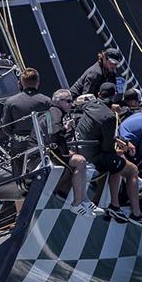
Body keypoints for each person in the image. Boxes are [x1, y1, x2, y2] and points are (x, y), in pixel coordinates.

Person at [75, 92, 142, 228]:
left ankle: (110, 204)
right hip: (94, 155)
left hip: (85, 149)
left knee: (118, 164)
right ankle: (134, 213)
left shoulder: (90, 108)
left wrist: (122, 141)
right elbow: (108, 147)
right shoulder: (109, 116)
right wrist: (119, 150)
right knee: (131, 169)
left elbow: (106, 136)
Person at [44, 88, 104, 217]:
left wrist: (66, 128)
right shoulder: (55, 112)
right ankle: (77, 204)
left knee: (81, 161)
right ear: (58, 101)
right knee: (80, 161)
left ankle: (85, 201)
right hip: (50, 151)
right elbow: (55, 134)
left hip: (53, 148)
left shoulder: (56, 111)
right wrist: (66, 153)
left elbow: (57, 133)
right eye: (68, 101)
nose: (71, 105)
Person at [0, 68, 51, 211]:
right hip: (41, 146)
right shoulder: (46, 101)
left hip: (19, 146)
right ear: (37, 82)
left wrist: (17, 136)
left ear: (21, 83)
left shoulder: (11, 102)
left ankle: (21, 214)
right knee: (45, 176)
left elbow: (6, 128)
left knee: (19, 183)